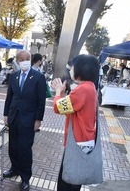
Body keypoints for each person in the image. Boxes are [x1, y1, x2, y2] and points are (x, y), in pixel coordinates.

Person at [51, 54, 99, 191]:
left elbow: (58, 107)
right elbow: (72, 106)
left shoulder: (82, 89)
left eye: (72, 67)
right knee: (73, 181)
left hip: (77, 142)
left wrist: (58, 92)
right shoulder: (89, 87)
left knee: (68, 181)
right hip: (83, 140)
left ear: (80, 69)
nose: (71, 70)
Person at [3, 50, 46, 191]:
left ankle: (25, 178)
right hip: (14, 117)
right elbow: (10, 97)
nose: (25, 61)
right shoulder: (14, 76)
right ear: (17, 61)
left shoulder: (38, 77)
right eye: (21, 59)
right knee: (13, 147)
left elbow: (41, 101)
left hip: (29, 119)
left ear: (31, 58)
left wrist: (38, 119)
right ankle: (14, 168)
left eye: (27, 58)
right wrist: (5, 114)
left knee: (24, 149)